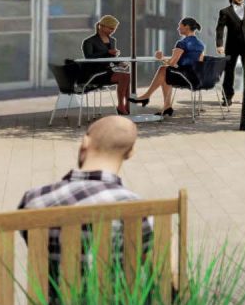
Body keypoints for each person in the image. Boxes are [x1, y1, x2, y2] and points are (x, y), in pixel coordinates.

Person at [18, 115, 151, 278]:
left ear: (85, 142)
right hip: (117, 303)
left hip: (55, 303)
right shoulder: (137, 209)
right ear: (130, 153)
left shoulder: (33, 200)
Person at [134, 18, 206, 116]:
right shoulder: (201, 44)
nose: (177, 28)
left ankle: (147, 96)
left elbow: (172, 63)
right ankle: (167, 107)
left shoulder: (182, 43)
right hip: (196, 78)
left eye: (180, 26)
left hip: (185, 79)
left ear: (187, 27)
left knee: (163, 70)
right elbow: (200, 62)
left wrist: (161, 58)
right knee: (166, 73)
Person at [215, 0, 245, 105]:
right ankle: (227, 97)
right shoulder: (225, 12)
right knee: (229, 72)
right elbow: (220, 29)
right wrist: (219, 45)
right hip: (231, 46)